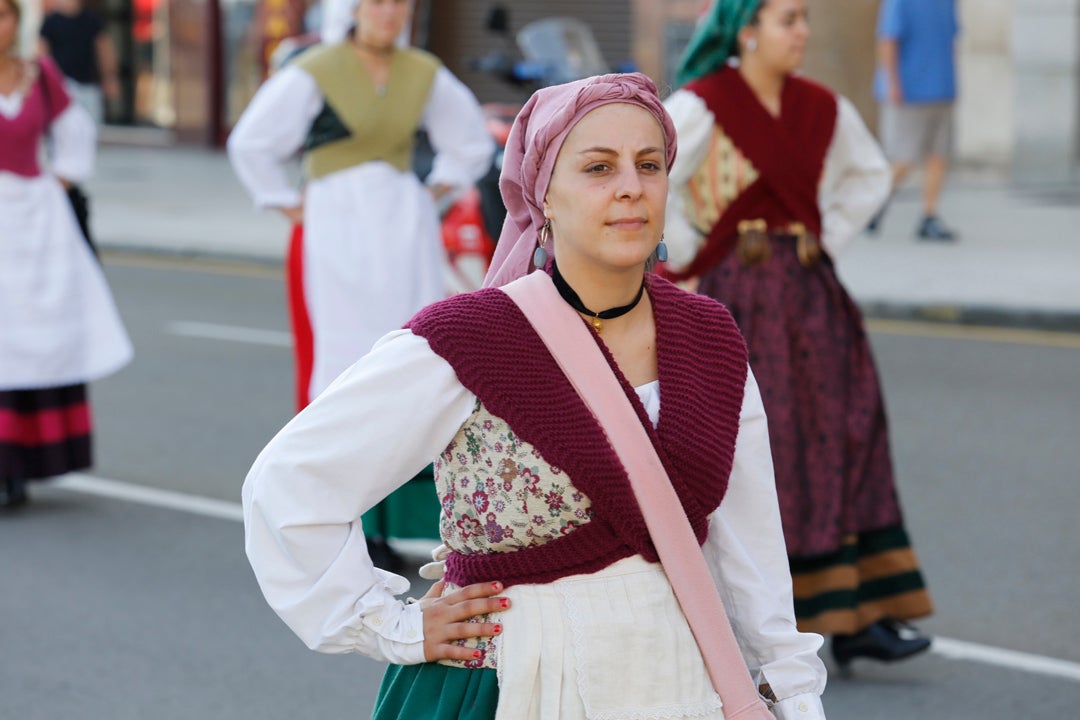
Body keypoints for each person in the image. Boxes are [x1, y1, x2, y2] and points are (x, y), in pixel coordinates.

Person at [242, 71, 828, 719]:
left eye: (649, 164)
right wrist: (387, 623)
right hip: (510, 682)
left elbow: (749, 549)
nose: (631, 186)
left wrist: (791, 691)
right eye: (599, 168)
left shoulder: (708, 337)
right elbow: (289, 485)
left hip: (675, 685)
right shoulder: (467, 341)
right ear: (544, 193)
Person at [665, 0, 934, 669]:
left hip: (811, 297)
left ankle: (851, 611)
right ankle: (752, 620)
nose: (803, 32)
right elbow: (655, 177)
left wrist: (825, 237)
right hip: (738, 296)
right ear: (746, 30)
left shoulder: (822, 107)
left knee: (847, 432)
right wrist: (689, 262)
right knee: (765, 450)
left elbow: (869, 177)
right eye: (788, 18)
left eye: (805, 17)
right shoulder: (702, 105)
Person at [228, 0, 493, 566]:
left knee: (409, 372)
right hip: (335, 236)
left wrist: (435, 193)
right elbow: (252, 143)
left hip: (403, 235)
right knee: (342, 375)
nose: (388, 12)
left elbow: (469, 142)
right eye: (375, 0)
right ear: (351, 8)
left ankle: (396, 526)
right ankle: (335, 525)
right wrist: (291, 205)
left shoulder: (422, 72)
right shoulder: (315, 69)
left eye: (399, 2)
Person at [0, 0, 132, 508]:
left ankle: (22, 465)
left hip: (35, 220)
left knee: (36, 337)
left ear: (17, 21)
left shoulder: (39, 72)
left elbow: (75, 129)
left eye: (6, 15)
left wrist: (62, 177)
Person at [869, 0, 959, 240]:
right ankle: (872, 205)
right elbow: (887, 41)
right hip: (908, 91)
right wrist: (892, 83)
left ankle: (929, 217)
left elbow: (951, 39)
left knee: (938, 155)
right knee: (903, 159)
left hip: (941, 88)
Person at [38, 0, 120, 249]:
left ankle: (74, 176)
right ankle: (63, 175)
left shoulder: (91, 20)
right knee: (59, 139)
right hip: (61, 87)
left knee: (86, 135)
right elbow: (42, 53)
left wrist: (110, 78)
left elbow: (104, 48)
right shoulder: (51, 21)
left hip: (86, 88)